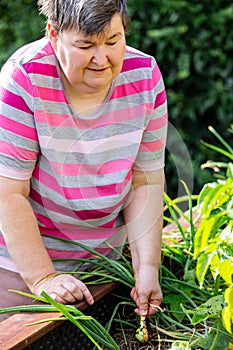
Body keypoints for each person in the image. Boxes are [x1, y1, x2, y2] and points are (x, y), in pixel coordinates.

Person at [0, 0, 167, 319]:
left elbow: (145, 180)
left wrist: (147, 267)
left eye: (114, 41)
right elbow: (8, 192)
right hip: (19, 269)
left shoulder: (144, 75)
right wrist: (43, 278)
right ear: (53, 34)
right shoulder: (24, 78)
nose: (101, 59)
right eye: (86, 45)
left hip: (104, 267)